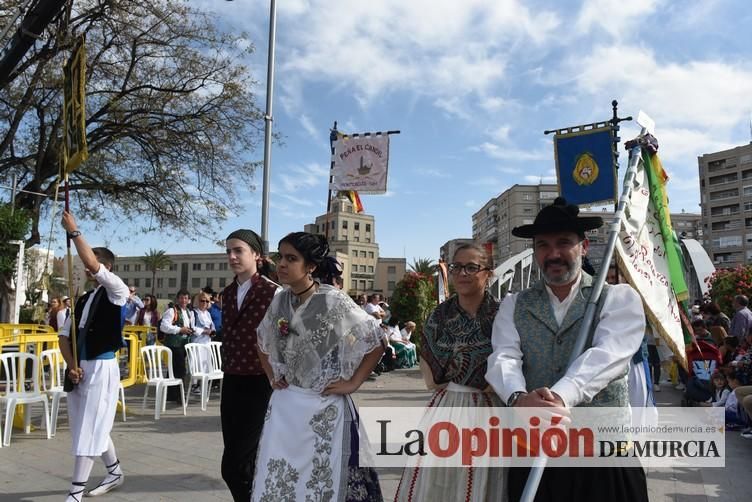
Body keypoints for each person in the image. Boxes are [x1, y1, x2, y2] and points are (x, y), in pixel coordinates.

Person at [486, 197, 648, 502]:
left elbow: (609, 355)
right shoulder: (513, 304)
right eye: (543, 245)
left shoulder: (617, 299)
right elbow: (503, 357)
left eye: (564, 242)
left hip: (603, 456)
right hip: (535, 455)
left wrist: (559, 397)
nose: (554, 253)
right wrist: (519, 400)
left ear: (584, 247)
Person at [253, 232, 384, 501]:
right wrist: (271, 375)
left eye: (292, 258)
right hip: (285, 408)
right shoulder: (280, 300)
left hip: (324, 407)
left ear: (310, 266)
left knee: (324, 480)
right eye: (280, 257)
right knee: (280, 480)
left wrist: (353, 383)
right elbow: (261, 339)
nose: (282, 264)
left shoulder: (332, 301)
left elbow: (376, 342)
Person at [395, 243, 504, 502]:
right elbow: (431, 376)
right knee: (442, 481)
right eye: (457, 267)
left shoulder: (503, 313)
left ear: (488, 273)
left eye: (472, 267)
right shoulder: (438, 316)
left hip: (494, 406)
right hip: (450, 406)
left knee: (488, 479)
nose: (462, 274)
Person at [58, 211, 129, 501]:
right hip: (80, 370)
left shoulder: (117, 290)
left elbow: (91, 263)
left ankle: (74, 493)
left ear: (106, 267)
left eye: (93, 265)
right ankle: (113, 471)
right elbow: (64, 337)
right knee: (89, 425)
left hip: (102, 366)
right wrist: (72, 366)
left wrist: (74, 231)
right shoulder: (83, 299)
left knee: (91, 427)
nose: (87, 270)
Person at [219, 229, 280, 502]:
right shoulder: (228, 293)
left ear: (256, 255)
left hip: (260, 383)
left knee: (233, 467)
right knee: (242, 461)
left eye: (238, 250)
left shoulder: (274, 292)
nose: (232, 256)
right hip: (232, 379)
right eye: (228, 251)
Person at [159, 290, 196, 402]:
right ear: (177, 299)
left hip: (184, 344)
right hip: (174, 344)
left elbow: (191, 326)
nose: (183, 300)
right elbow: (164, 327)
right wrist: (180, 329)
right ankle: (180, 396)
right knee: (180, 370)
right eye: (181, 298)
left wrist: (191, 330)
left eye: (185, 298)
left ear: (189, 300)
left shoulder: (190, 312)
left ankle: (170, 395)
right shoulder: (171, 311)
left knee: (173, 370)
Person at [190, 291, 216, 394]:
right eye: (202, 300)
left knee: (205, 364)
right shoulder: (193, 313)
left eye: (206, 301)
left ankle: (202, 384)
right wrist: (205, 331)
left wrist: (211, 331)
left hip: (206, 342)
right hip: (197, 342)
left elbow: (212, 326)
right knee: (196, 363)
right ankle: (194, 385)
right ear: (198, 301)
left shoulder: (208, 314)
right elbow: (192, 327)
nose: (204, 303)